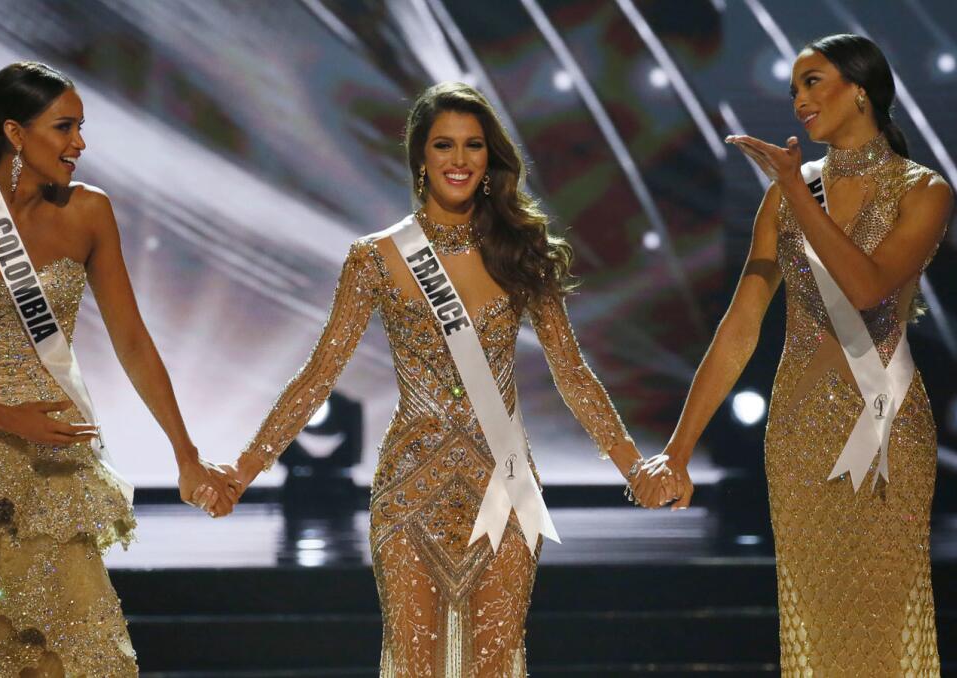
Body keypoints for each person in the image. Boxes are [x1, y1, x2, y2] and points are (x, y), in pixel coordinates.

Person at [218, 82, 668, 676]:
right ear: (420, 159)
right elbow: (320, 373)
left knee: (495, 663)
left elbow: (573, 374)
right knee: (414, 662)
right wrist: (243, 471)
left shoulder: (520, 249)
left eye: (473, 146)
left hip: (503, 487)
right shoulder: (376, 257)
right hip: (410, 490)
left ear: (490, 159)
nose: (459, 160)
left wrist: (633, 466)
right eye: (444, 145)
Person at [0, 61, 232, 677]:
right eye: (65, 128)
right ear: (15, 133)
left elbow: (133, 342)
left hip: (56, 461)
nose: (80, 144)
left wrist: (185, 452)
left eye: (81, 128)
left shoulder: (90, 211)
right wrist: (8, 417)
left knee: (69, 651)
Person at [638, 34, 951, 675]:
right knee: (816, 620)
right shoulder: (789, 191)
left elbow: (866, 289)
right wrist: (678, 447)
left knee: (881, 623)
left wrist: (796, 194)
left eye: (813, 82)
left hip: (886, 427)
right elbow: (740, 327)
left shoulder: (923, 190)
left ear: (860, 89)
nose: (799, 101)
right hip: (799, 434)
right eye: (792, 90)